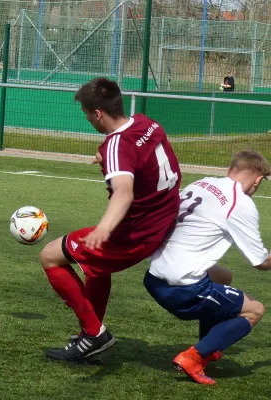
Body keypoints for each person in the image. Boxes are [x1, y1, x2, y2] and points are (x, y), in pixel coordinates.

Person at [40, 77, 181, 362]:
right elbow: (147, 165)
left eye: (86, 115)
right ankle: (88, 335)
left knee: (50, 256)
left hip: (134, 234)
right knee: (95, 267)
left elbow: (124, 193)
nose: (88, 120)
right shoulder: (148, 124)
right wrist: (111, 163)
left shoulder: (115, 144)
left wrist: (103, 228)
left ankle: (94, 334)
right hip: (165, 218)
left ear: (98, 113)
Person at [144, 150, 271, 385]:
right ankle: (193, 357)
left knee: (224, 276)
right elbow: (260, 261)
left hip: (154, 276)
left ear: (231, 169)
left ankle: (208, 344)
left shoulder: (203, 182)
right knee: (255, 310)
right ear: (258, 179)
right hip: (181, 288)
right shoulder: (240, 203)